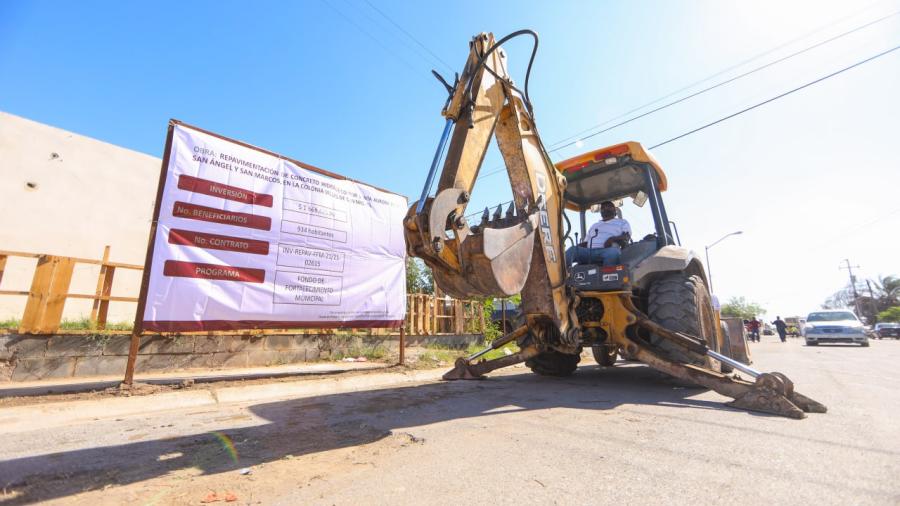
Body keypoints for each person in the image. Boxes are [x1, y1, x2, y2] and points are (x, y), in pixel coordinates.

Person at [565, 201, 631, 268]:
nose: (605, 209)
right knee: (572, 250)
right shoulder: (594, 226)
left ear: (615, 210)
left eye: (609, 207)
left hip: (607, 251)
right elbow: (585, 243)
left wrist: (612, 239)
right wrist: (577, 248)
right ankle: (564, 275)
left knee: (613, 252)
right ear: (601, 212)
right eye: (603, 208)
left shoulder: (622, 222)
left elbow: (626, 236)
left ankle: (607, 275)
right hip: (589, 252)